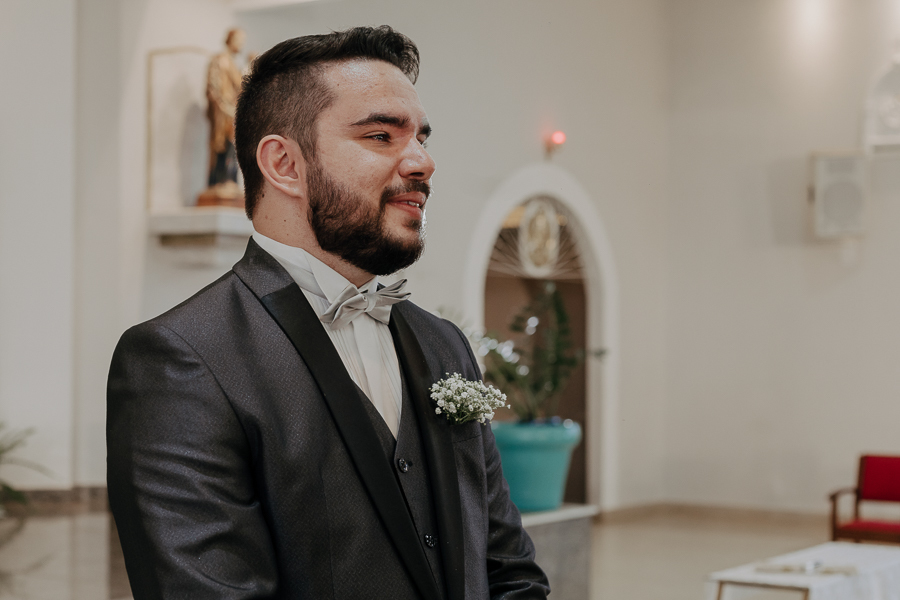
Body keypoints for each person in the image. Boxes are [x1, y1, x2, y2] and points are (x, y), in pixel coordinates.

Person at [107, 26, 550, 599]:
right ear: (284, 164)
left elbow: (509, 571)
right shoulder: (183, 359)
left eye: (420, 137)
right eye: (381, 136)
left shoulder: (444, 344)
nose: (423, 162)